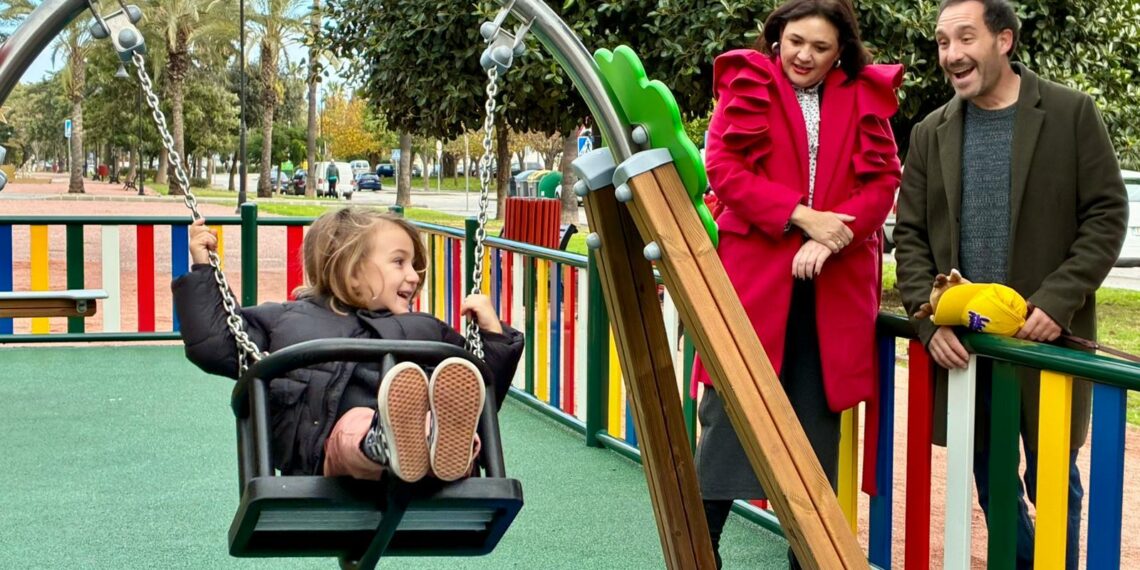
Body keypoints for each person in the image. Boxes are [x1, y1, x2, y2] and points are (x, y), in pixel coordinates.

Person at [893, 1, 1128, 568]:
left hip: (1048, 347)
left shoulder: (1073, 114)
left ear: (1004, 40)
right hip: (970, 352)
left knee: (1055, 485)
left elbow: (1105, 215)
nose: (950, 54)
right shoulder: (930, 131)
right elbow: (911, 237)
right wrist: (929, 322)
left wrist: (1056, 301)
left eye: (964, 38)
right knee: (992, 485)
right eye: (942, 42)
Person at [690, 0, 903, 566]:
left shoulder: (863, 96)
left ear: (841, 53)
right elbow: (725, 170)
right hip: (754, 286)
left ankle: (802, 560)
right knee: (727, 424)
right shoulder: (747, 82)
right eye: (795, 42)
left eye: (821, 47)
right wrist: (801, 216)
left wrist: (831, 237)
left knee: (813, 443)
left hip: (830, 292)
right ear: (777, 38)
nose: (804, 55)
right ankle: (695, 555)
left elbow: (882, 183)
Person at [172, 208, 524, 482]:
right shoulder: (287, 321)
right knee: (354, 427)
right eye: (399, 262)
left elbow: (480, 390)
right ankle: (386, 443)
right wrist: (205, 269)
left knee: (446, 407)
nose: (415, 276)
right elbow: (216, 344)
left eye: (415, 266)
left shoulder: (426, 328)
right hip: (334, 454)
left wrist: (493, 335)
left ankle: (445, 447)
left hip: (430, 454)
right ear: (351, 269)